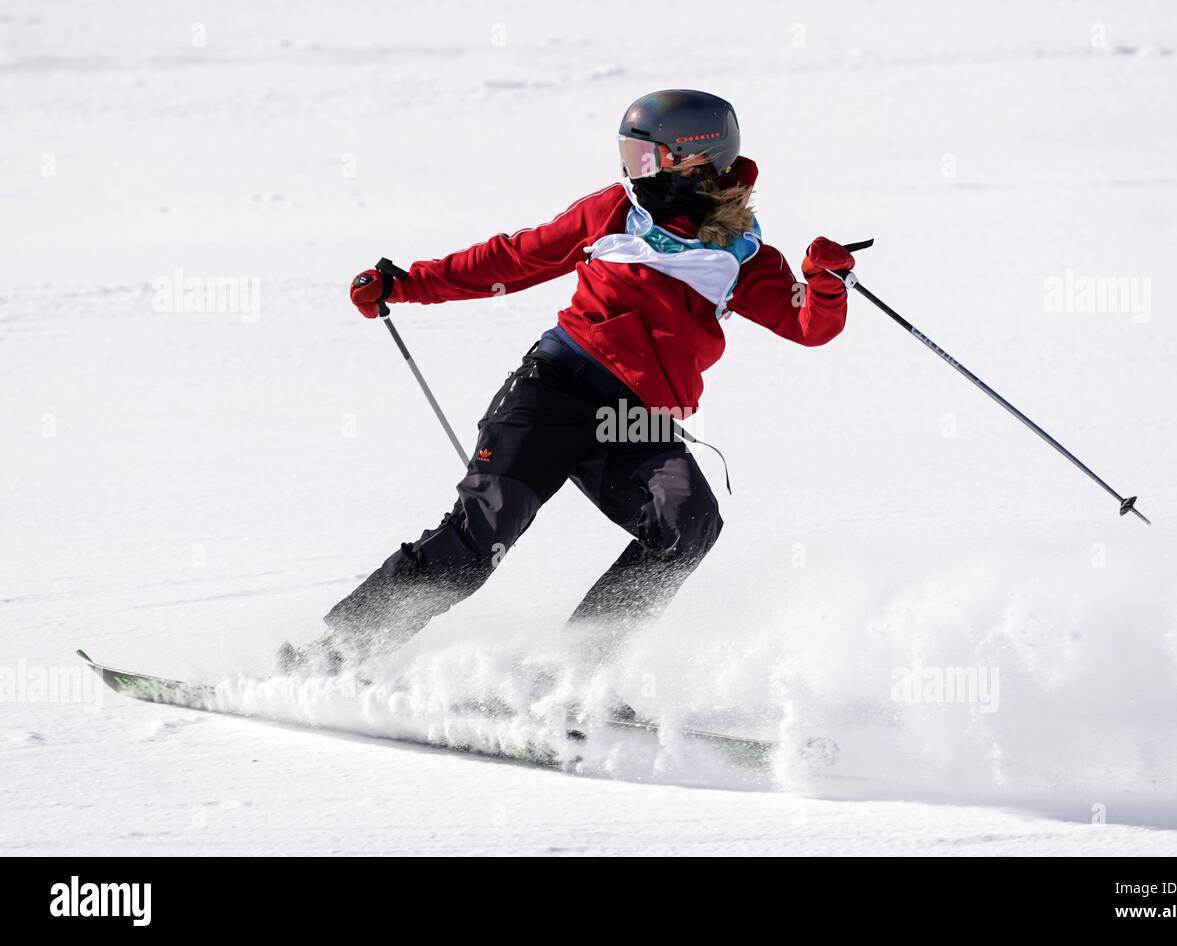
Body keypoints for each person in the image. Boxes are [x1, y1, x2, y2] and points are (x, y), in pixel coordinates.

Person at [280, 89, 855, 674]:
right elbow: (514, 259)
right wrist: (405, 283)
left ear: (695, 159)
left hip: (632, 420)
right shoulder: (614, 211)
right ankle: (334, 653)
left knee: (689, 524)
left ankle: (574, 675)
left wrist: (827, 282)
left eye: (646, 158)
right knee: (479, 539)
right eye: (628, 156)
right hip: (552, 391)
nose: (633, 171)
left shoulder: (743, 254)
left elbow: (808, 325)